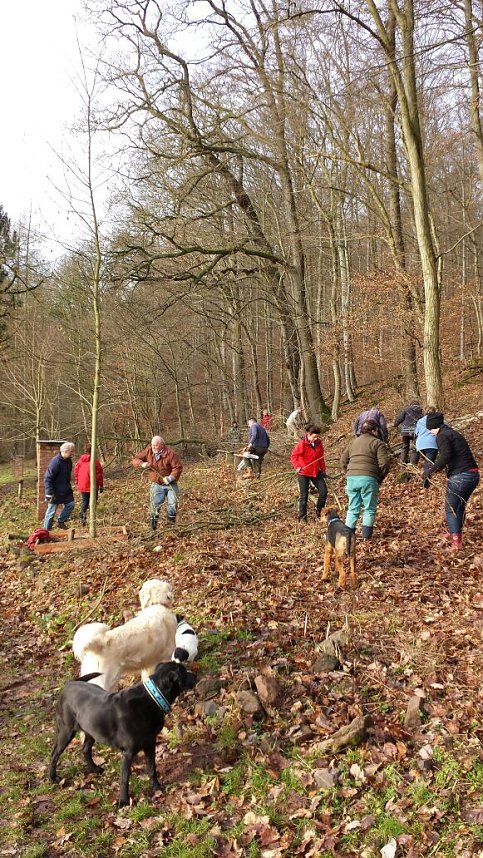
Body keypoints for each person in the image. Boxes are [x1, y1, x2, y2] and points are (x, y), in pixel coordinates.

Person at [425, 412, 479, 550]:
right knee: (459, 507)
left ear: (435, 426)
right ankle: (455, 533)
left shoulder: (442, 436)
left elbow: (445, 456)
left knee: (451, 509)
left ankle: (456, 542)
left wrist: (430, 471)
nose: (430, 432)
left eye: (430, 429)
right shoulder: (454, 433)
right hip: (473, 475)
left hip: (460, 477)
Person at [340, 419, 392, 539]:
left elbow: (343, 461)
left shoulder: (353, 442)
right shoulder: (378, 443)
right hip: (369, 478)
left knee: (352, 508)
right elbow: (384, 463)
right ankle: (366, 538)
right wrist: (379, 477)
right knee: (369, 508)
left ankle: (348, 538)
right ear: (374, 430)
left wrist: (348, 473)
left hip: (352, 479)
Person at [132, 435, 183, 530]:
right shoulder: (148, 451)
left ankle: (171, 528)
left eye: (156, 445)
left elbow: (178, 467)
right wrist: (141, 464)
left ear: (162, 445)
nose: (153, 447)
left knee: (172, 504)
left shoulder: (170, 454)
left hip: (170, 484)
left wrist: (171, 477)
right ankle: (153, 529)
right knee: (155, 505)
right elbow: (135, 459)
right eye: (152, 445)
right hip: (157, 484)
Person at [290, 424, 328, 522]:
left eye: (317, 436)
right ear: (308, 434)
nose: (316, 438)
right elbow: (294, 456)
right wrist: (297, 467)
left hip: (316, 472)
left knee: (323, 492)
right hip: (303, 472)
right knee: (304, 495)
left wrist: (323, 470)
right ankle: (303, 518)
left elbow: (321, 458)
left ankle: (319, 514)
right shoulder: (302, 443)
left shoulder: (319, 443)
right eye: (314, 437)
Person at [43, 442, 76, 531]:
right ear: (66, 451)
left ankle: (60, 521)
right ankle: (46, 531)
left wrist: (69, 488)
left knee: (71, 504)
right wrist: (49, 493)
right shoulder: (55, 462)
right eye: (71, 451)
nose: (73, 453)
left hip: (65, 490)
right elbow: (47, 478)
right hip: (53, 491)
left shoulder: (69, 461)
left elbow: (66, 477)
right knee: (51, 512)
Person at [74, 443, 104, 526]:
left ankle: (82, 518)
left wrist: (77, 482)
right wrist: (101, 485)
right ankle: (92, 518)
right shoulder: (95, 461)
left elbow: (76, 472)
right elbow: (99, 474)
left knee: (85, 501)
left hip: (82, 485)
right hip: (92, 485)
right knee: (93, 501)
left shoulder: (79, 461)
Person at [393, 400, 424, 468]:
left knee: (405, 446)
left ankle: (402, 461)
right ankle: (413, 463)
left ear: (411, 404)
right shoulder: (420, 410)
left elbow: (400, 418)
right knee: (415, 447)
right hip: (415, 431)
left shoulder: (406, 409)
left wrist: (395, 424)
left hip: (405, 431)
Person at [414, 407, 439, 488]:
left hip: (420, 445)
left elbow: (416, 433)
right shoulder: (437, 419)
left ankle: (426, 479)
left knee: (427, 462)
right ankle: (426, 482)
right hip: (431, 444)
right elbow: (446, 426)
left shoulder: (420, 421)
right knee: (428, 464)